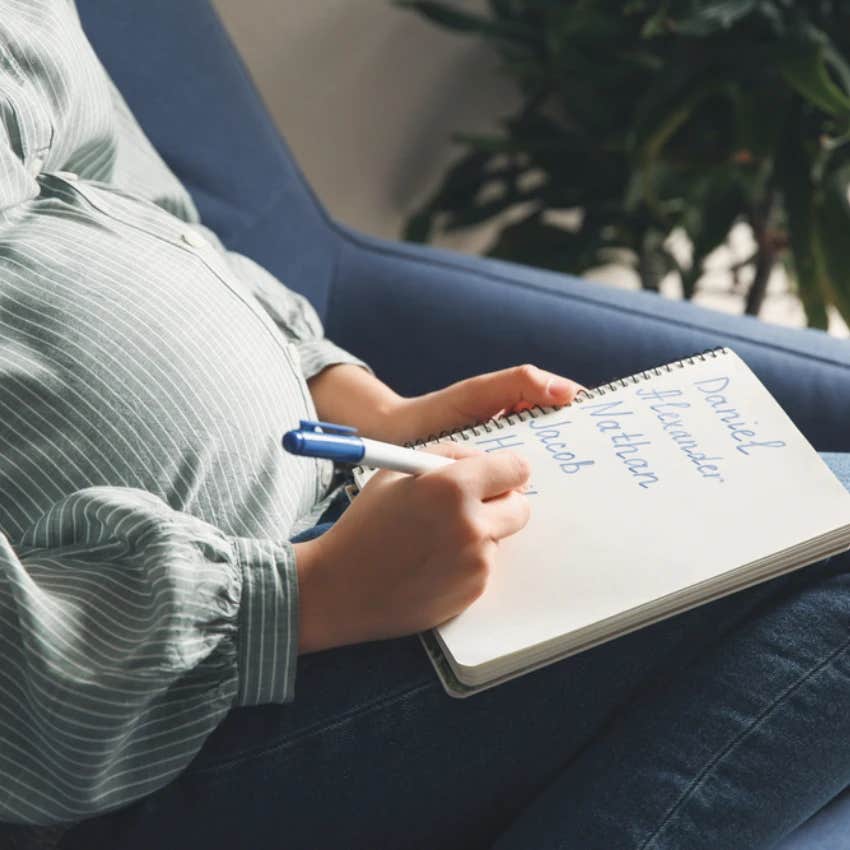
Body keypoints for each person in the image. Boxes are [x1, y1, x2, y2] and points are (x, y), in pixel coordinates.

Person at [0, 2, 848, 849]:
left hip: (340, 528)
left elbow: (128, 203)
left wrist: (378, 412)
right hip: (166, 718)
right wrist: (311, 594)